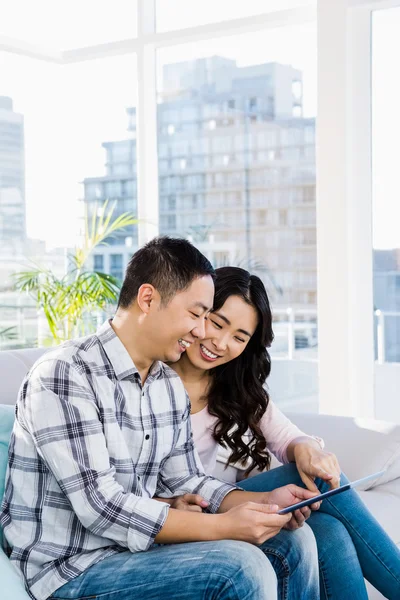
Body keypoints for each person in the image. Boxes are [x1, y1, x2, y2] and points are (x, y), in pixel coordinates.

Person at [0, 238, 320, 600]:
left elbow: (185, 478)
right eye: (196, 314)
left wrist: (256, 505)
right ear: (148, 299)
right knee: (242, 567)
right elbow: (102, 507)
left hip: (137, 554)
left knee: (292, 541)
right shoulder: (65, 374)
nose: (201, 331)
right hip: (71, 570)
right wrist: (220, 525)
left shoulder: (166, 384)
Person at [170, 265, 400, 600]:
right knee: (315, 482)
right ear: (199, 310)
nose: (219, 343)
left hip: (230, 506)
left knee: (330, 530)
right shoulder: (155, 380)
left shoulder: (235, 386)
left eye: (238, 337)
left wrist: (306, 447)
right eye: (217, 323)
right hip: (184, 514)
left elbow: (287, 436)